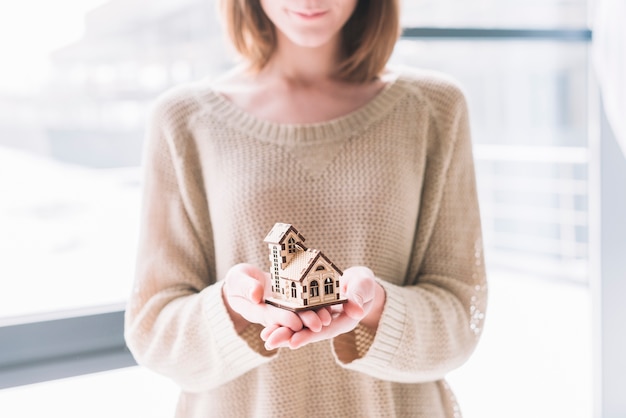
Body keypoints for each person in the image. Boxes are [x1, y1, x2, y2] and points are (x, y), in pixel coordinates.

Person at [124, 0, 487, 417]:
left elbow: (462, 319)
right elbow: (152, 331)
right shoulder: (184, 120)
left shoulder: (435, 109)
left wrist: (376, 309)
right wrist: (231, 307)